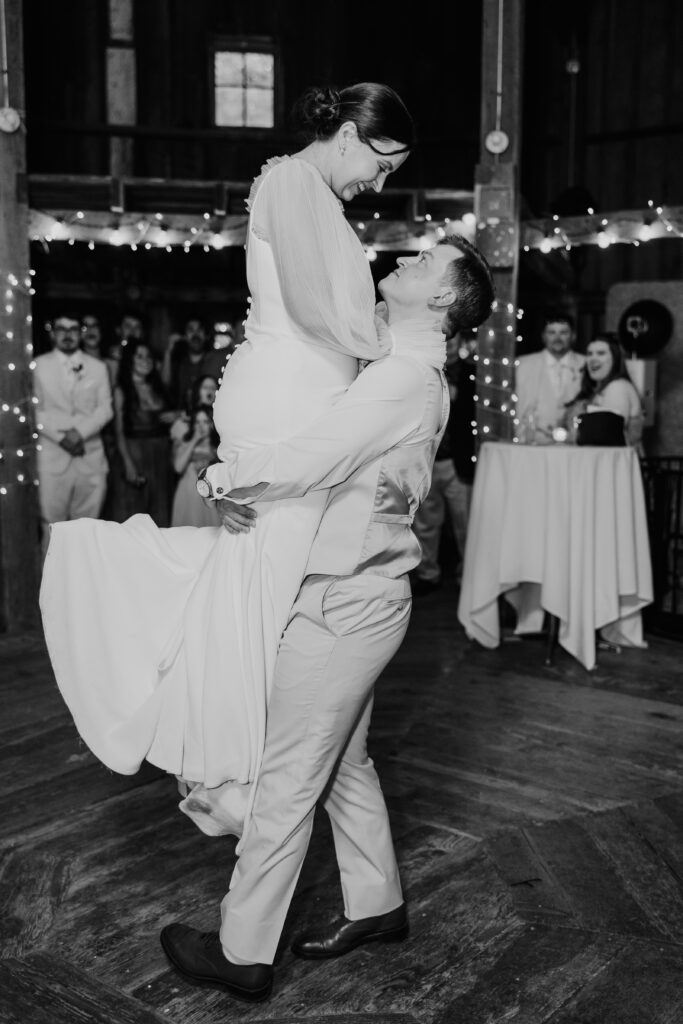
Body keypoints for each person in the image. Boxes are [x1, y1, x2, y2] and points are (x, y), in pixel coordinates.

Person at [40, 81, 414, 819]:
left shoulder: (314, 193)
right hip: (287, 402)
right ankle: (240, 767)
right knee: (270, 577)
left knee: (268, 577)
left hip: (301, 398)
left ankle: (245, 757)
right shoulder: (291, 182)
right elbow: (311, 307)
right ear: (348, 135)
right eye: (382, 164)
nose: (379, 183)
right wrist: (397, 345)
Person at [159, 234, 495, 1002]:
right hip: (360, 595)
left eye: (424, 262)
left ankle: (242, 949)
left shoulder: (403, 377)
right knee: (342, 762)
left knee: (285, 780)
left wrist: (220, 476)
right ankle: (377, 903)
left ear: (443, 298)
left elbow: (315, 455)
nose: (405, 260)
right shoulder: (405, 369)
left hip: (345, 601)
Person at [33, 313, 113, 555]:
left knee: (86, 529)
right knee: (51, 526)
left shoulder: (98, 367)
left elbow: (105, 409)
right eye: (61, 329)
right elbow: (34, 409)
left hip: (90, 457)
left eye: (73, 329)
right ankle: (50, 578)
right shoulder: (38, 365)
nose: (67, 334)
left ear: (81, 333)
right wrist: (61, 438)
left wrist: (79, 433)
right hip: (52, 458)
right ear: (52, 333)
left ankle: (81, 576)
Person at [411, 330, 477, 594]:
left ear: (460, 342)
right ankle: (427, 573)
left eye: (452, 340)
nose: (448, 344)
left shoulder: (472, 373)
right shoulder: (423, 370)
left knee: (466, 524)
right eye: (443, 339)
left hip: (458, 460)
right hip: (426, 459)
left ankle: (468, 576)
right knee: (425, 523)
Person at [110, 338, 175, 526]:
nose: (145, 360)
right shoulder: (121, 391)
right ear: (130, 360)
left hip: (161, 458)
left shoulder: (157, 388)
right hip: (136, 455)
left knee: (160, 516)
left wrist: (176, 415)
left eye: (148, 356)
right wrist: (128, 464)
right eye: (139, 356)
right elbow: (118, 432)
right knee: (133, 516)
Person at [514, 311, 585, 442]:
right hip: (533, 442)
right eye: (552, 332)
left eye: (563, 332)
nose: (557, 338)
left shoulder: (585, 364)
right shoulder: (523, 364)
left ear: (573, 336)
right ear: (543, 336)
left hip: (575, 442)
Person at [564, 332, 644, 446]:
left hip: (614, 456)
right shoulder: (597, 389)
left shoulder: (617, 387)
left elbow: (606, 436)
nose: (593, 358)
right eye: (589, 354)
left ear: (615, 358)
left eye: (601, 353)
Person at [170, 404, 220, 527]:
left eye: (205, 422)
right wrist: (194, 440)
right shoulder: (185, 443)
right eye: (197, 422)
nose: (201, 426)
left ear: (212, 424)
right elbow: (178, 467)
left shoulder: (218, 447)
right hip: (188, 494)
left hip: (209, 496)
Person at [163, 317, 227, 412]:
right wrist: (168, 352)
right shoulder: (178, 362)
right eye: (191, 330)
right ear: (184, 336)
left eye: (199, 330)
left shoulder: (215, 361)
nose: (195, 335)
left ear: (206, 335)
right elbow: (165, 383)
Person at [169, 373, 219, 444]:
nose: (209, 391)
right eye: (205, 387)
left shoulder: (220, 420)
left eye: (213, 388)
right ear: (197, 390)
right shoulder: (183, 423)